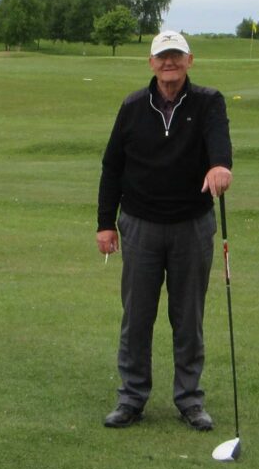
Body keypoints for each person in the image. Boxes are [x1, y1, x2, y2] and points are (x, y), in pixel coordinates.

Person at [97, 30, 234, 430]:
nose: (169, 63)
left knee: (187, 316)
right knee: (136, 317)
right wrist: (106, 223)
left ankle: (190, 400)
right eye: (162, 56)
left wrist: (219, 165)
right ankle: (132, 398)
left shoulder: (209, 101)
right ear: (151, 62)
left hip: (191, 225)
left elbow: (218, 141)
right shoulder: (133, 106)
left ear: (190, 60)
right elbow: (112, 167)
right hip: (140, 225)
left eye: (176, 55)